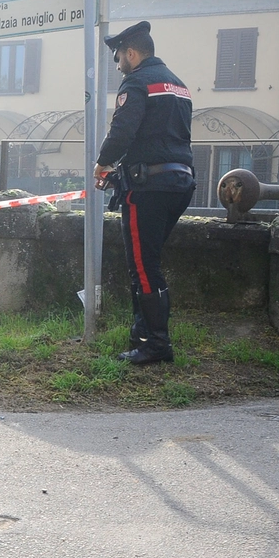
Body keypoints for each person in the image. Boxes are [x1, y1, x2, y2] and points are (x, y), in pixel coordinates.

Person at [94, 20, 196, 365]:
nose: (118, 63)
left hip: (149, 187)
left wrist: (102, 164)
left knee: (143, 265)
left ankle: (156, 344)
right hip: (180, 183)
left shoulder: (136, 82)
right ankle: (142, 334)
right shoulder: (177, 84)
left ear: (132, 53)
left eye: (119, 56)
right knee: (147, 262)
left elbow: (123, 131)